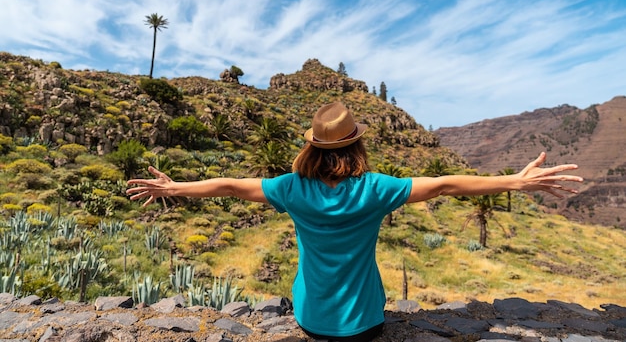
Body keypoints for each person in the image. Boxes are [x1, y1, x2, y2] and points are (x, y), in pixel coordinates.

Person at [126, 102, 583, 342]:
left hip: (309, 319)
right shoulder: (376, 190)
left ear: (311, 148)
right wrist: (513, 184)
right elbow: (444, 185)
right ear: (355, 147)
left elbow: (228, 186)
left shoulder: (290, 189)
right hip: (365, 325)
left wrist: (174, 188)